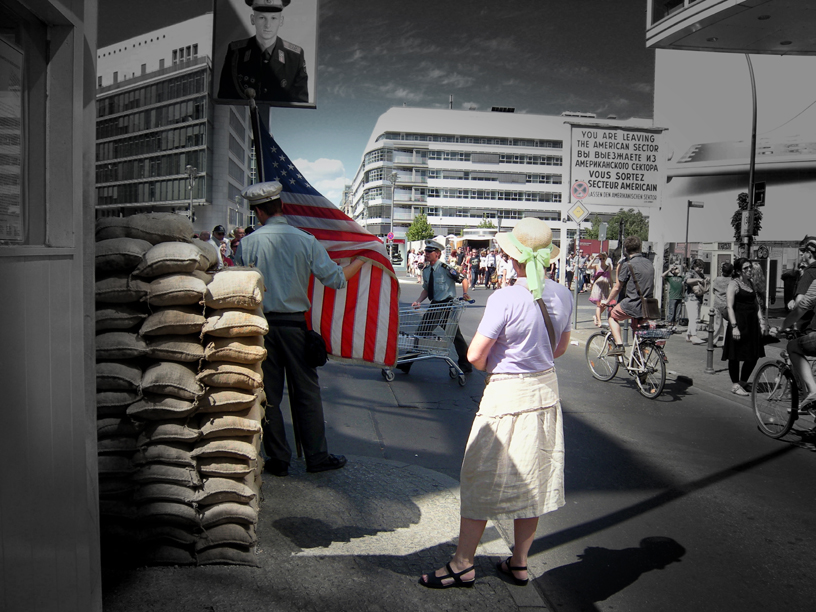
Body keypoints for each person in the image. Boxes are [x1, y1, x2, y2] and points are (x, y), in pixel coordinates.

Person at [419, 218, 573, 589]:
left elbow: (474, 356)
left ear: (512, 257)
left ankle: (462, 563)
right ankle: (519, 563)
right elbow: (560, 349)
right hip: (545, 392)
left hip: (506, 395)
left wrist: (501, 363)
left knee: (479, 476)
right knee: (534, 479)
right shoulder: (565, 295)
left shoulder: (505, 297)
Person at [234, 181, 364, 476]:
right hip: (294, 326)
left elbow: (239, 287)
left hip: (260, 328)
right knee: (306, 393)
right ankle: (316, 457)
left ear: (258, 212)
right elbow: (335, 280)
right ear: (281, 207)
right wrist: (360, 258)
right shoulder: (304, 240)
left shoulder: (248, 243)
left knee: (268, 395)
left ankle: (278, 459)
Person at [398, 240, 472, 374]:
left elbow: (464, 279)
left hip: (447, 305)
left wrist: (465, 293)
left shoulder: (446, 268)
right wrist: (418, 301)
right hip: (436, 305)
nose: (426, 254)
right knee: (454, 335)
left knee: (422, 333)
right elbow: (426, 289)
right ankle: (466, 364)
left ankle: (406, 363)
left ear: (437, 254)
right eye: (426, 251)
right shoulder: (426, 270)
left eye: (429, 252)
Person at [217, 0, 308, 104]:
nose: (267, 25)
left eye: (273, 18)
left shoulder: (294, 57)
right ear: (252, 19)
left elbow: (301, 106)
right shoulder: (236, 53)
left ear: (281, 21)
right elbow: (224, 99)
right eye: (262, 18)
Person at [600, 236, 655, 356]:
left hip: (633, 304)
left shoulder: (628, 264)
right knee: (637, 333)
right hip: (649, 305)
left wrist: (607, 300)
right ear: (640, 247)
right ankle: (641, 363)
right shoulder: (649, 263)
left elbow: (617, 287)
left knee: (612, 315)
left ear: (626, 249)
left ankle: (619, 346)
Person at [778, 236, 816, 409]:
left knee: (792, 347)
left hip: (811, 330)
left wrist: (782, 327)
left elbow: (802, 305)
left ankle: (813, 392)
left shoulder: (811, 273)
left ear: (809, 253)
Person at [722, 257, 766, 396]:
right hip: (739, 322)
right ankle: (735, 384)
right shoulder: (733, 284)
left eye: (750, 267)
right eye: (745, 268)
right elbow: (729, 306)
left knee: (753, 355)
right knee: (734, 355)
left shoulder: (750, 283)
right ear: (739, 271)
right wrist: (734, 326)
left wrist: (761, 321)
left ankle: (743, 382)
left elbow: (756, 304)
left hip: (752, 323)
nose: (749, 270)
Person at [684, 259, 709, 344]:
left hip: (698, 297)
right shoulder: (691, 272)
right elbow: (687, 280)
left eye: (702, 268)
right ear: (694, 266)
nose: (701, 269)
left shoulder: (701, 274)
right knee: (694, 317)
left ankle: (688, 334)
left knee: (693, 317)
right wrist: (698, 280)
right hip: (691, 298)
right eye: (699, 267)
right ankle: (693, 335)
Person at [711, 261, 734, 345]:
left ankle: (713, 341)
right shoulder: (732, 281)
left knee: (717, 324)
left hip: (717, 304)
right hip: (727, 305)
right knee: (727, 324)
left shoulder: (717, 279)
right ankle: (725, 342)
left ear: (722, 270)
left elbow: (713, 291)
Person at [588, 252, 612, 327]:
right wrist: (594, 259)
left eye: (603, 258)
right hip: (598, 286)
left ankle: (595, 316)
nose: (601, 260)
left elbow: (610, 278)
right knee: (599, 305)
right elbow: (588, 266)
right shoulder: (597, 266)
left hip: (605, 287)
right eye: (600, 259)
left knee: (604, 305)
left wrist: (612, 287)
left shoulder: (608, 267)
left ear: (606, 259)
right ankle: (599, 321)